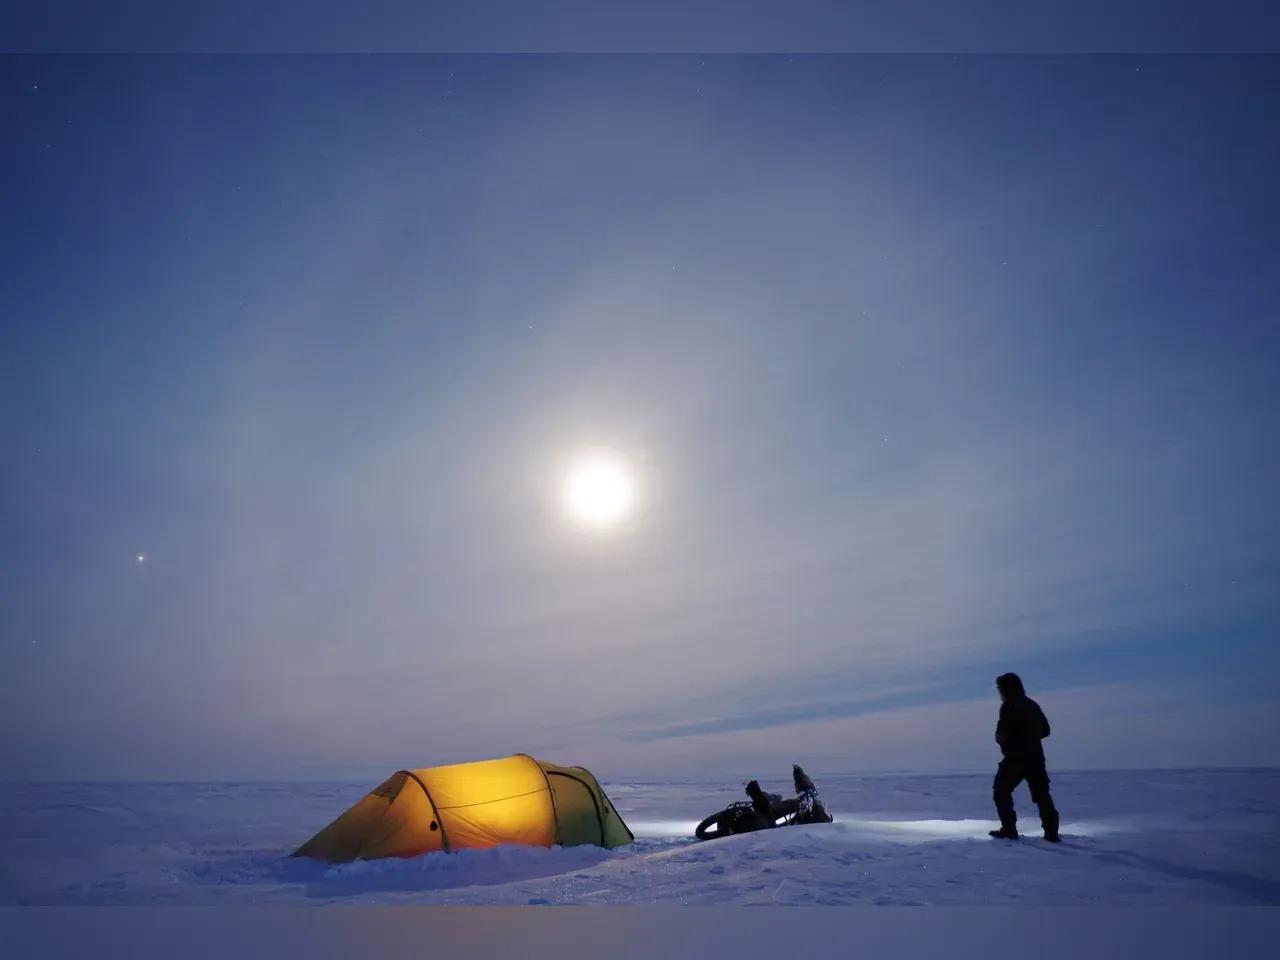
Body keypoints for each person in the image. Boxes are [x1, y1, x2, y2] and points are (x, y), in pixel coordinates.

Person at [989, 672, 1061, 842]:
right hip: (1035, 757)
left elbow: (1004, 733)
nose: (999, 692)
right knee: (1042, 795)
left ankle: (1009, 829)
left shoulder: (1009, 706)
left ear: (1007, 689)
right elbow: (1045, 730)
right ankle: (1051, 833)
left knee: (1001, 791)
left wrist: (1008, 740)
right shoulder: (1032, 705)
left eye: (1000, 688)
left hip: (1016, 758)